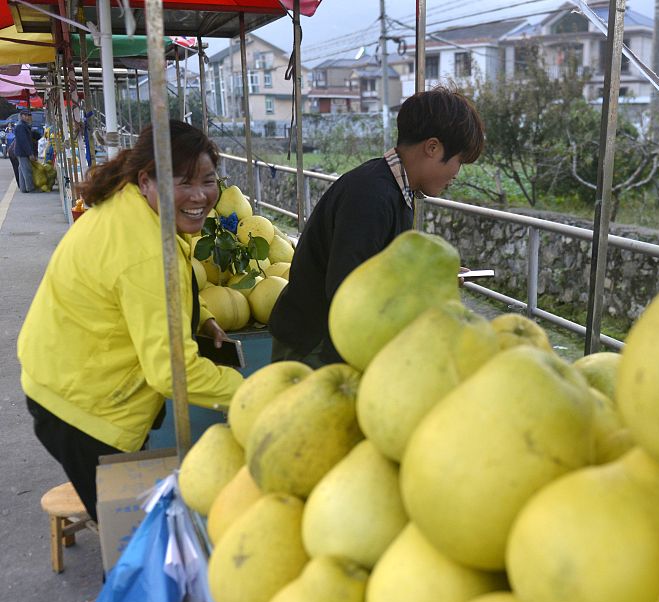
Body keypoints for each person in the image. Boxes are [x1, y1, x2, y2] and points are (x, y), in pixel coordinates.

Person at [18, 120, 243, 519]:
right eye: (182, 181)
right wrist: (248, 392)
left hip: (63, 380)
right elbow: (172, 371)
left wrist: (200, 316)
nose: (199, 195)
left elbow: (149, 294)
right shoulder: (146, 252)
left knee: (128, 524)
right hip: (83, 411)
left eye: (208, 180)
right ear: (147, 180)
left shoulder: (133, 207)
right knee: (130, 543)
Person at [268, 85, 484, 366]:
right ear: (432, 148)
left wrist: (432, 277)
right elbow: (348, 291)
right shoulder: (371, 196)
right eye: (458, 162)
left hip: (334, 341)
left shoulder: (395, 190)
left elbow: (378, 268)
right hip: (313, 347)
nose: (456, 174)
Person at [14, 109, 36, 192]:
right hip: (22, 152)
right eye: (25, 115)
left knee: (22, 170)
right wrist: (30, 153)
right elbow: (24, 142)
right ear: (21, 116)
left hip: (21, 151)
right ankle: (30, 188)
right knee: (27, 170)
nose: (27, 117)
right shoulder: (20, 126)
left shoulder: (24, 125)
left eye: (29, 115)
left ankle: (23, 188)